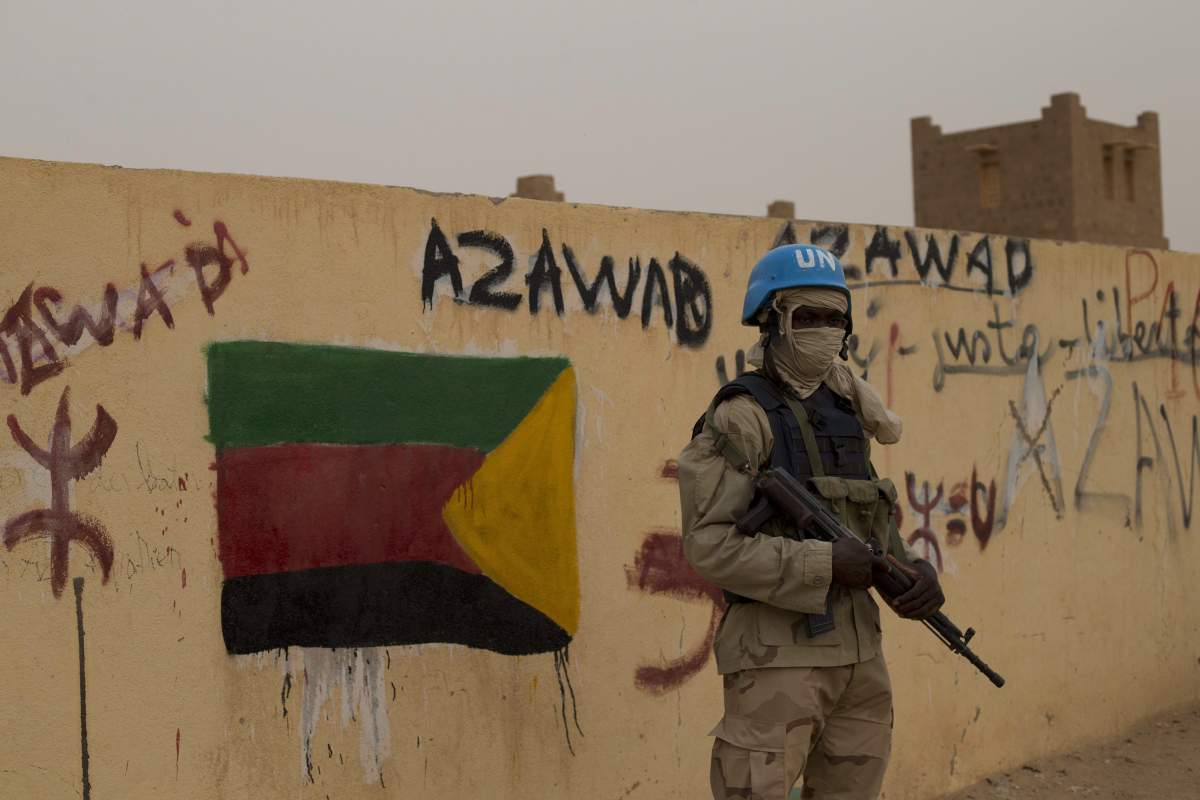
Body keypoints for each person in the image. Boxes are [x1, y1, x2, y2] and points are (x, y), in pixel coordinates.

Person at [678, 243, 945, 800]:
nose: (824, 330)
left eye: (834, 318)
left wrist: (914, 571)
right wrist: (823, 562)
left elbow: (874, 526)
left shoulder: (845, 412)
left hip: (860, 660)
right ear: (772, 322)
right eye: (808, 317)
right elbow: (709, 547)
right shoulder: (741, 417)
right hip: (777, 664)